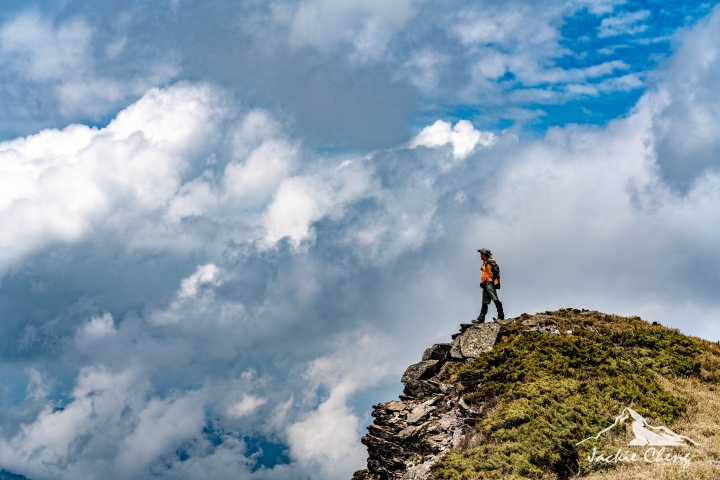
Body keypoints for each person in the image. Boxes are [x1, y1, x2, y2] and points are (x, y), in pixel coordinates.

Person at [474, 248, 504, 323]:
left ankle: (501, 316)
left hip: (489, 283)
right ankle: (481, 318)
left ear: (485, 255)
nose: (480, 255)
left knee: (495, 299)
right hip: (485, 284)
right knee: (484, 302)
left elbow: (496, 269)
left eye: (482, 254)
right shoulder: (485, 263)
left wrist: (492, 278)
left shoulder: (489, 262)